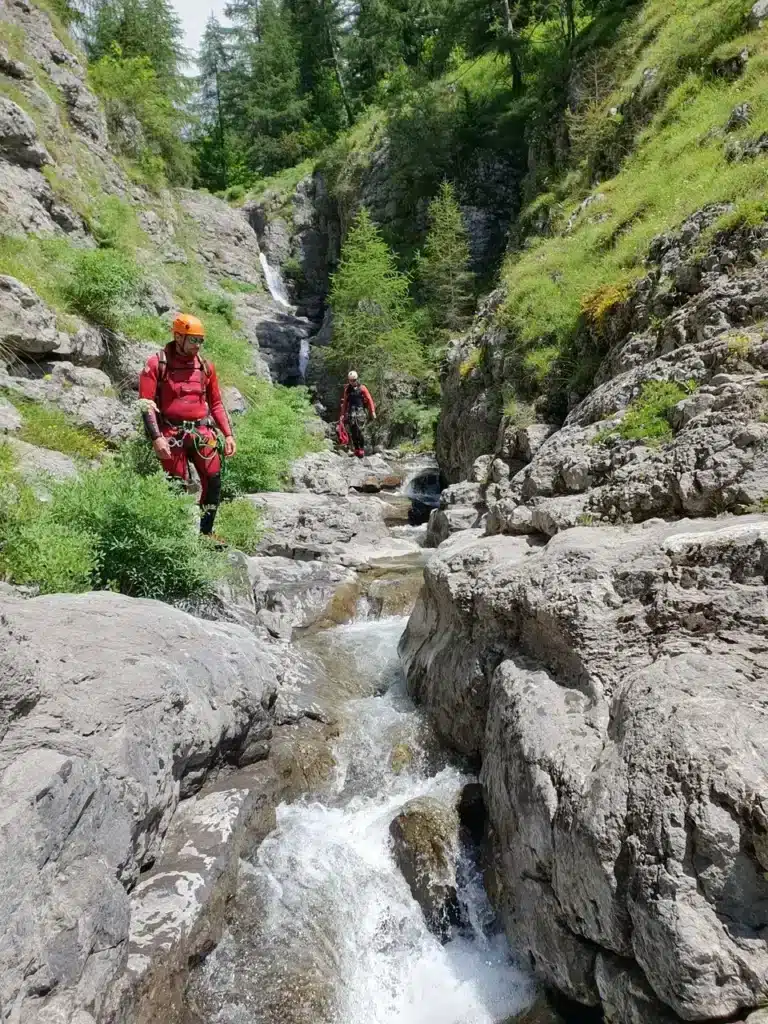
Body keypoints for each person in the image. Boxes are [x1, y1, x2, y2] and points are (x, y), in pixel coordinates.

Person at [138, 314, 237, 535]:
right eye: (193, 340)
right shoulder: (156, 364)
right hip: (171, 433)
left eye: (201, 340)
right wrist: (156, 438)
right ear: (178, 336)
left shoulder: (205, 367)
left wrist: (228, 435)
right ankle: (176, 537)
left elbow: (217, 403)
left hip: (203, 432)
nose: (198, 345)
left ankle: (206, 534)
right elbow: (146, 405)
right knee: (176, 487)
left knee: (213, 483)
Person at [339, 370, 376, 458]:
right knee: (353, 431)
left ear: (357, 379)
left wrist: (373, 411)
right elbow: (345, 403)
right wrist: (342, 414)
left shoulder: (362, 388)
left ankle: (362, 448)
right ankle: (356, 449)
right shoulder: (347, 389)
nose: (352, 382)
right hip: (351, 413)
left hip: (360, 412)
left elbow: (369, 399)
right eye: (351, 380)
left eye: (354, 380)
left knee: (360, 431)